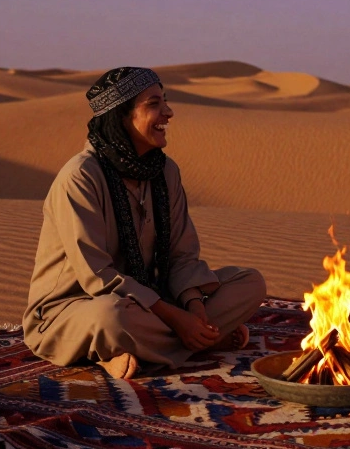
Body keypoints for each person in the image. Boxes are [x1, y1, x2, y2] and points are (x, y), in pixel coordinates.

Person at [23, 67, 266, 379]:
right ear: (121, 117)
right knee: (112, 319)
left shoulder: (166, 173)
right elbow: (98, 277)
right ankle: (197, 342)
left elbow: (182, 255)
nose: (168, 112)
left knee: (249, 283)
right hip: (76, 308)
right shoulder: (81, 177)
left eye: (164, 101)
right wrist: (179, 321)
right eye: (153, 104)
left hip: (153, 299)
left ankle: (161, 344)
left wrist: (195, 312)